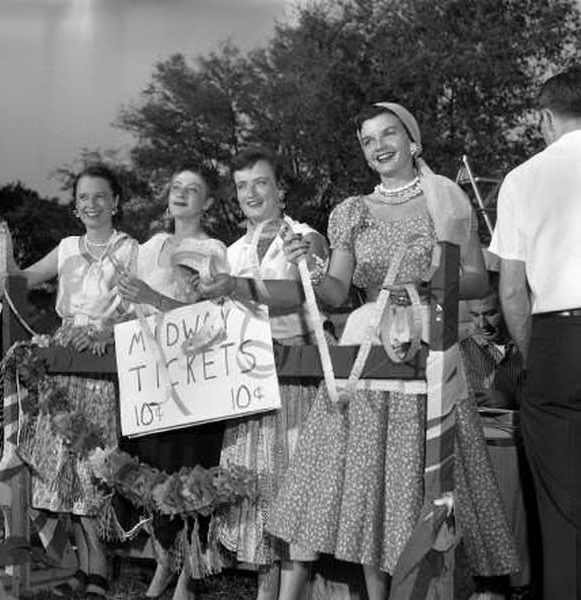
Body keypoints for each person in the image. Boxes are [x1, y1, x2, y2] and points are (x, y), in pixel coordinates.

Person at [267, 103, 519, 600]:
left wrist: (427, 276)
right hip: (367, 349)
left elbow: (472, 278)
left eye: (389, 134)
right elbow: (338, 292)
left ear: (413, 141)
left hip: (430, 343)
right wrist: (310, 268)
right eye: (367, 140)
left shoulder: (444, 200)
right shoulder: (351, 211)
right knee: (369, 480)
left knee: (426, 476)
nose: (379, 146)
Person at [197, 147, 331, 600]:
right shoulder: (230, 251)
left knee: (294, 489)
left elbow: (299, 293)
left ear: (281, 188)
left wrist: (234, 286)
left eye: (260, 182)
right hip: (245, 386)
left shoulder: (306, 236)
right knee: (255, 493)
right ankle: (265, 589)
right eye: (241, 186)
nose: (250, 193)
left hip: (295, 380)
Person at [15, 163, 138, 600]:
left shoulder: (130, 249)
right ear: (75, 206)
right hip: (62, 359)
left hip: (102, 361)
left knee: (92, 465)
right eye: (83, 198)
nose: (91, 204)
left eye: (100, 196)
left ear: (116, 202)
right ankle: (82, 568)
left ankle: (99, 567)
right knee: (60, 465)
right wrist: (1, 257)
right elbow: (24, 278)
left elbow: (137, 306)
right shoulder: (67, 247)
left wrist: (108, 331)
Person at [488, 64, 581, 600]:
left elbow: (511, 293)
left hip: (556, 341)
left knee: (563, 516)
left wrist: (534, 355)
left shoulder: (523, 178)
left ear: (546, 117)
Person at [116, 164, 229, 600]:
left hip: (192, 381)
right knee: (153, 472)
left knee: (189, 474)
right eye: (176, 187)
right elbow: (131, 308)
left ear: (208, 202)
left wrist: (152, 297)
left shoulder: (212, 249)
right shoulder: (149, 246)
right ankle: (164, 563)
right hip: (148, 379)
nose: (181, 194)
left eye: (193, 189)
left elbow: (212, 319)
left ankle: (188, 575)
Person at [460, 291, 532, 598]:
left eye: (489, 313)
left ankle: (519, 583)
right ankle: (489, 582)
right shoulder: (461, 351)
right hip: (475, 446)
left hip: (520, 444)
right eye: (474, 315)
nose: (482, 323)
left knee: (518, 518)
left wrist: (511, 399)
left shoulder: (527, 349)